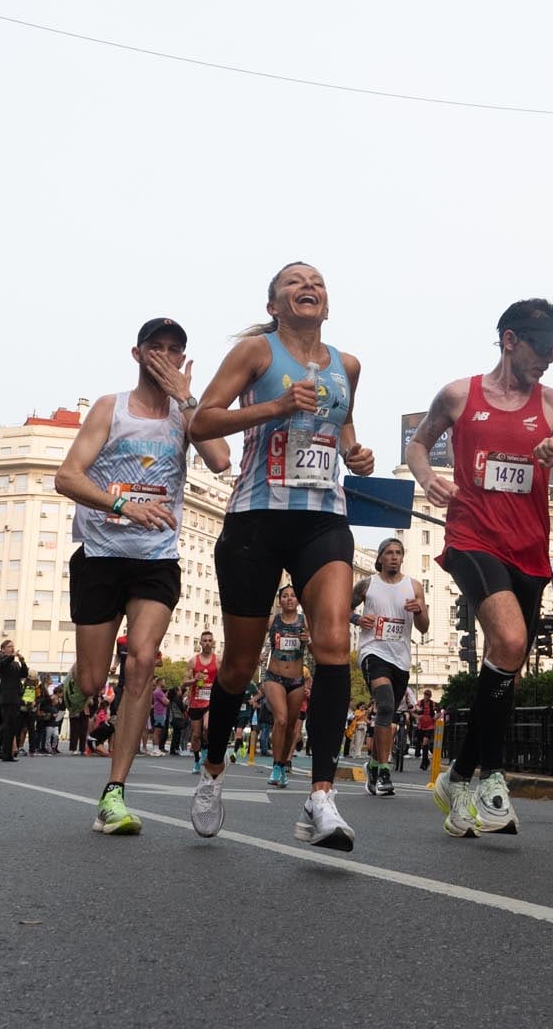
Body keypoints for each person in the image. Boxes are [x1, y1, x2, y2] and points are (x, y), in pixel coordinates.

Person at [407, 298, 553, 837]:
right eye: (540, 348)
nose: (548, 358)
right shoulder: (459, 395)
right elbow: (418, 444)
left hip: (529, 549)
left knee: (507, 659)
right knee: (510, 639)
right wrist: (428, 477)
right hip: (472, 537)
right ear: (508, 340)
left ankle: (457, 775)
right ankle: (491, 779)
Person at [186, 262, 376, 850]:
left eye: (316, 281)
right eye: (294, 281)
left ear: (327, 302)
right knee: (240, 664)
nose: (308, 286)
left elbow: (343, 435)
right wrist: (275, 407)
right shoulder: (256, 354)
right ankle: (213, 772)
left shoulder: (347, 366)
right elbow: (202, 421)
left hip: (323, 520)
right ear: (275, 304)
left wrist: (358, 454)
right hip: (256, 518)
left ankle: (320, 796)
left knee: (334, 640)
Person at [54, 318, 232, 828]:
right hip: (100, 555)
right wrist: (122, 505)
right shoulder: (112, 408)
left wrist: (191, 399)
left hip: (156, 559)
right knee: (91, 682)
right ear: (137, 354)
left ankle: (115, 793)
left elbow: (219, 461)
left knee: (142, 662)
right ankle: (75, 682)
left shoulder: (184, 414)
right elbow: (68, 477)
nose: (166, 357)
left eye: (175, 350)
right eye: (157, 348)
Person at [353, 538, 428, 797]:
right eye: (389, 553)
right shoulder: (367, 585)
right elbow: (340, 607)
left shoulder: (414, 586)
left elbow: (424, 627)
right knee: (385, 706)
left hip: (401, 658)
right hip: (373, 651)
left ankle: (373, 764)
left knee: (387, 715)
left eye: (398, 553)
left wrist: (419, 611)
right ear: (381, 558)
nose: (394, 557)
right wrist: (356, 618)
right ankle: (384, 771)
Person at [259, 584, 310, 788]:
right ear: (279, 601)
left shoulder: (305, 622)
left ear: (298, 600)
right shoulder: (272, 621)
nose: (289, 599)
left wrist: (309, 641)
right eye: (285, 596)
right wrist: (258, 655)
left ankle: (283, 762)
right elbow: (254, 636)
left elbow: (315, 650)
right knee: (280, 719)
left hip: (297, 680)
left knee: (290, 726)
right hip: (275, 677)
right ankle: (276, 767)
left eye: (293, 596)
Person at [184, 630, 219, 774]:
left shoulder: (218, 660)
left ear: (213, 643)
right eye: (204, 640)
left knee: (207, 727)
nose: (207, 643)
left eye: (210, 640)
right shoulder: (193, 661)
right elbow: (184, 682)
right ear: (200, 643)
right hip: (196, 702)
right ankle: (197, 759)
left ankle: (205, 751)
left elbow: (224, 679)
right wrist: (194, 680)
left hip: (211, 701)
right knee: (196, 734)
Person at [0, 641, 27, 761]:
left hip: (16, 696)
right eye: (9, 647)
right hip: (7, 697)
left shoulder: (15, 663)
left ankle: (1, 752)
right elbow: (5, 663)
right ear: (3, 649)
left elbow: (24, 674)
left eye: (13, 646)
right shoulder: (2, 660)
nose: (12, 648)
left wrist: (22, 661)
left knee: (9, 727)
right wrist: (12, 655)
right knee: (7, 725)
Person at [413, 689, 438, 766]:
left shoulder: (433, 704)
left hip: (430, 726)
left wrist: (435, 717)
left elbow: (440, 712)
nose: (426, 696)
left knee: (425, 741)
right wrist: (417, 717)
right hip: (421, 725)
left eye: (428, 695)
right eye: (425, 694)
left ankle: (424, 761)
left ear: (430, 696)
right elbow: (412, 711)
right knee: (420, 742)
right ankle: (425, 760)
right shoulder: (419, 703)